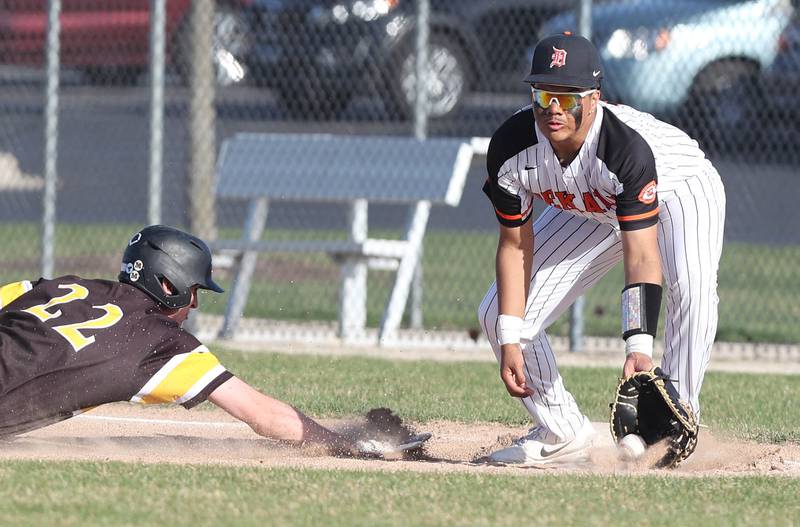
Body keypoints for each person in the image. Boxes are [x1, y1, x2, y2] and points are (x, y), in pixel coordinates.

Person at [478, 32, 726, 466]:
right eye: (543, 93)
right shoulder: (511, 148)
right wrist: (509, 337)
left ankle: (671, 420)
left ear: (594, 98)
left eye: (568, 97)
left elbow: (643, 256)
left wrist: (639, 345)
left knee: (691, 288)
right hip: (595, 206)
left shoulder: (624, 149)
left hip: (677, 188)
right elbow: (516, 244)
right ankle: (562, 432)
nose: (553, 108)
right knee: (498, 313)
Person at [0, 225, 404, 456]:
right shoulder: (161, 344)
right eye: (192, 290)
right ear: (166, 283)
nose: (193, 304)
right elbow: (262, 414)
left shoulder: (62, 285)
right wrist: (347, 445)